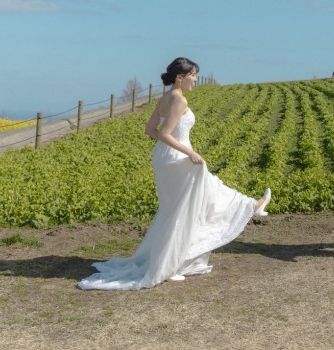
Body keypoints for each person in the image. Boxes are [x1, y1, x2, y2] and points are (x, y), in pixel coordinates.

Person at [78, 57, 271, 290]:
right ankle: (171, 264)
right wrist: (189, 152)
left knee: (188, 202)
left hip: (164, 157)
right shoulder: (178, 100)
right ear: (180, 77)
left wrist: (176, 150)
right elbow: (166, 133)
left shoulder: (165, 98)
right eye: (193, 75)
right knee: (188, 206)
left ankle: (250, 206)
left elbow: (151, 130)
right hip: (176, 156)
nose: (196, 80)